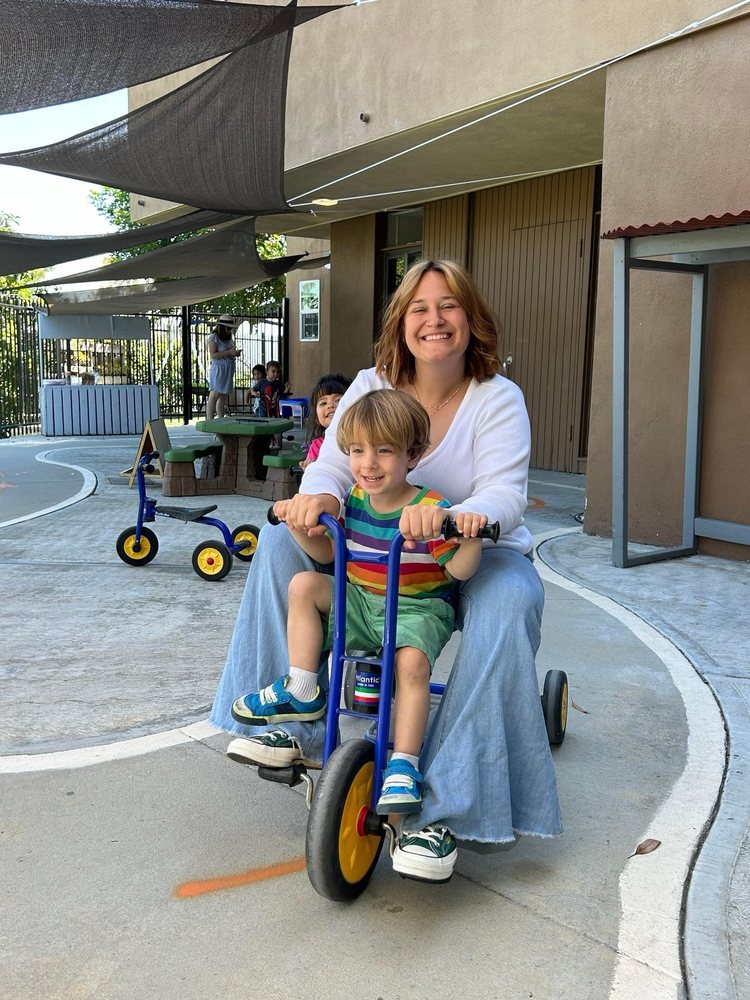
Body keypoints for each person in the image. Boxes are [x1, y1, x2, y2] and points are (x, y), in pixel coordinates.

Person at [211, 258, 561, 883]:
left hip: (470, 551)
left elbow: (504, 491)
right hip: (380, 549)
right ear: (401, 321)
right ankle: (295, 719)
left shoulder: (496, 397)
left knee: (509, 603)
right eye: (419, 308)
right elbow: (333, 464)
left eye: (448, 306)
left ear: (471, 319)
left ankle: (442, 806)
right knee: (283, 545)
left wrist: (457, 518)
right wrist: (317, 498)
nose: (434, 320)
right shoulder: (371, 384)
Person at [231, 389, 487, 823]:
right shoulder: (352, 499)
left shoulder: (430, 507)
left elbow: (459, 571)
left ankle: (404, 762)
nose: (369, 463)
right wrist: (296, 522)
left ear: (412, 454)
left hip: (417, 608)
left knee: (410, 666)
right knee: (305, 584)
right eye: (357, 451)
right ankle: (302, 687)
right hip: (360, 600)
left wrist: (468, 536)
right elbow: (331, 555)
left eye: (384, 451)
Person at [298, 371, 351, 470]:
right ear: (316, 418)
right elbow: (314, 476)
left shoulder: (360, 439)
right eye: (323, 403)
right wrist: (309, 468)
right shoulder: (318, 446)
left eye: (338, 400)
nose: (330, 405)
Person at [206, 315, 241, 420]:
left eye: (231, 328)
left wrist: (235, 353)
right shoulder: (214, 337)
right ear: (222, 327)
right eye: (228, 328)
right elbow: (213, 355)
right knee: (215, 394)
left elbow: (229, 352)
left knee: (223, 396)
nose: (229, 330)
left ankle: (220, 419)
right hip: (219, 368)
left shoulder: (228, 338)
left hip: (228, 368)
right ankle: (209, 420)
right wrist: (229, 352)